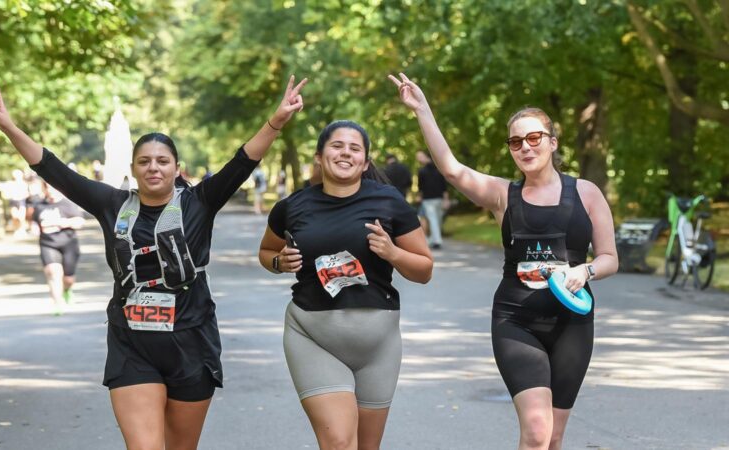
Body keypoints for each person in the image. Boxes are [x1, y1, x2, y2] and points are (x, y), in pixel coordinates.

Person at [0, 75, 307, 449]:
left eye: (162, 161)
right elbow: (53, 169)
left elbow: (243, 160)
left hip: (191, 339)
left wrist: (277, 120)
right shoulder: (112, 204)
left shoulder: (198, 202)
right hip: (132, 344)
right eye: (145, 161)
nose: (154, 168)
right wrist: (8, 126)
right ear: (134, 169)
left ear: (177, 168)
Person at [390, 73, 618, 450]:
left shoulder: (586, 193)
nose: (525, 148)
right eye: (516, 142)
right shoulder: (502, 195)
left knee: (554, 438)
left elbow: (610, 258)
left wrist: (585, 269)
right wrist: (422, 109)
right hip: (517, 321)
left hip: (573, 324)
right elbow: (451, 169)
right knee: (536, 432)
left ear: (552, 142)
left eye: (533, 138)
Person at [258, 120, 433, 450]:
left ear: (365, 162)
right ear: (320, 157)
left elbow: (424, 270)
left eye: (355, 148)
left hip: (378, 344)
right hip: (312, 336)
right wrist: (280, 262)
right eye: (337, 146)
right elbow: (266, 252)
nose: (346, 153)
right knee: (338, 442)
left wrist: (393, 252)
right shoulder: (292, 207)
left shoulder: (389, 202)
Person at [33, 181, 84, 314]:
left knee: (68, 278)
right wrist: (34, 229)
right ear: (44, 188)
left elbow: (80, 222)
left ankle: (67, 290)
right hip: (48, 243)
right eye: (47, 187)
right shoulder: (39, 205)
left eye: (53, 187)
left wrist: (60, 223)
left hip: (68, 243)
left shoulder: (68, 203)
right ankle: (57, 303)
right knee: (52, 272)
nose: (50, 190)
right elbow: (34, 223)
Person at [416, 150, 449, 249]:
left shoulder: (422, 171)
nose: (418, 158)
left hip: (428, 199)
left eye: (419, 156)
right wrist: (446, 199)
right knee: (436, 219)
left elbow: (420, 188)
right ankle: (436, 240)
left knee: (434, 219)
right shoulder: (440, 168)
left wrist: (419, 197)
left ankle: (434, 240)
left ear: (426, 156)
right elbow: (444, 187)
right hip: (438, 198)